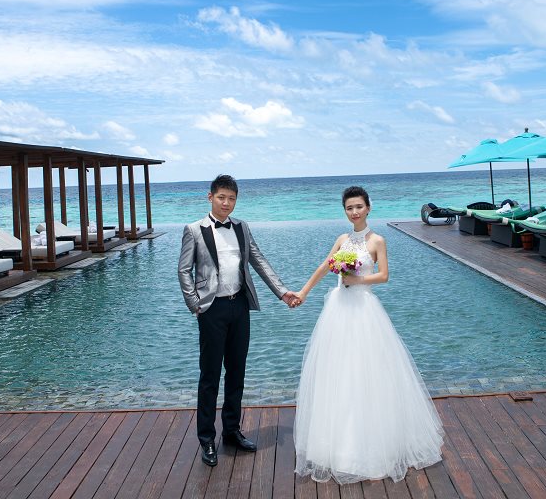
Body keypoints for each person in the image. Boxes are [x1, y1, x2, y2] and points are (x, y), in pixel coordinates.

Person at [292, 186, 444, 484]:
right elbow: (325, 266)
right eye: (349, 208)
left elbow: (384, 275)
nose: (354, 212)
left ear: (368, 207)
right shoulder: (342, 240)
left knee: (367, 373)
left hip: (364, 310)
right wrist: (303, 292)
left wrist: (357, 279)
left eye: (359, 206)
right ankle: (337, 447)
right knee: (338, 373)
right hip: (338, 310)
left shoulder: (377, 240)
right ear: (345, 211)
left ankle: (371, 447)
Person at [178, 174, 301, 468]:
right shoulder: (194, 230)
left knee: (236, 372)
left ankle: (231, 431)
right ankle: (207, 439)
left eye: (231, 198)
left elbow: (259, 261)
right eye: (221, 197)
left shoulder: (242, 227)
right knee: (210, 376)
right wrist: (195, 305)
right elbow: (184, 271)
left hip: (240, 306)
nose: (226, 203)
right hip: (211, 309)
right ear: (210, 197)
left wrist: (282, 292)